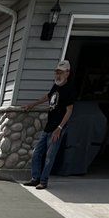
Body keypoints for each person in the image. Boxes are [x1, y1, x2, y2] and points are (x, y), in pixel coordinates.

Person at [22, 60, 76, 189]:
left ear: (67, 73)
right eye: (56, 72)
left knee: (49, 157)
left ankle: (43, 181)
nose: (58, 75)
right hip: (49, 126)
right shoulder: (56, 86)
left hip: (58, 128)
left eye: (61, 73)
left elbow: (69, 110)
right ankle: (35, 178)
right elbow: (48, 96)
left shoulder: (69, 89)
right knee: (37, 153)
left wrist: (60, 128)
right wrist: (32, 104)